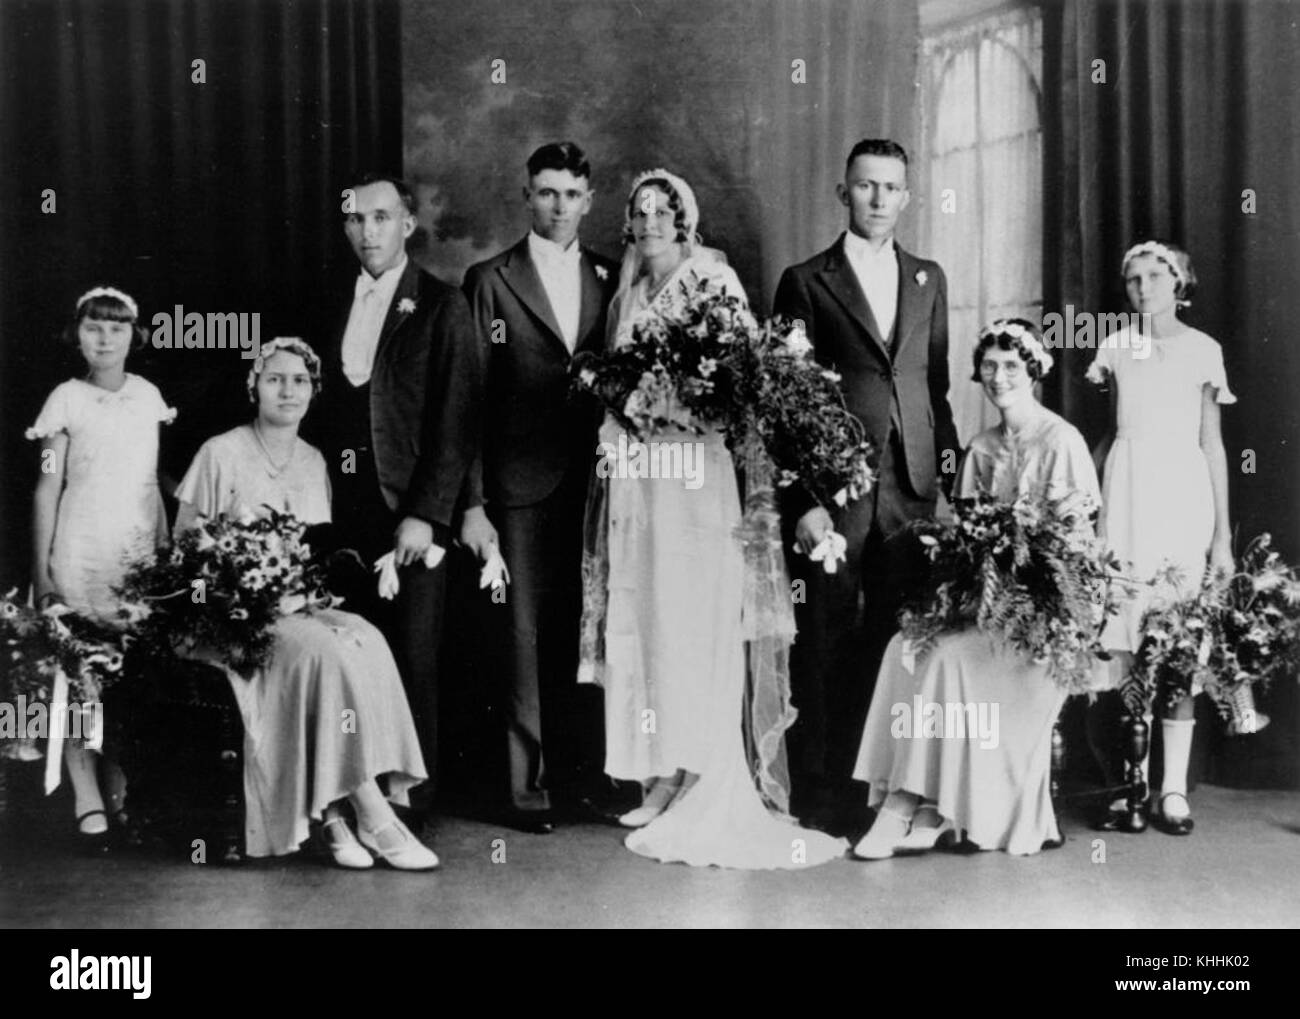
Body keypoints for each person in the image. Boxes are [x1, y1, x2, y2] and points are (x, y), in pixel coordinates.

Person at [577, 168, 844, 868]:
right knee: (652, 616)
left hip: (698, 475)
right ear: (629, 221)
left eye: (666, 210)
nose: (652, 221)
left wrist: (677, 403)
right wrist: (628, 412)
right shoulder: (628, 290)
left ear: (686, 218)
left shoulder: (714, 282)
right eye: (641, 211)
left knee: (699, 618)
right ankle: (659, 770)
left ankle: (701, 769)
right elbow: (617, 386)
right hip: (644, 479)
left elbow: (741, 390)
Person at [173, 336, 438, 870]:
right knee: (322, 653)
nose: (287, 390)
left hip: (294, 607)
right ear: (255, 387)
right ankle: (373, 815)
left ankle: (333, 814)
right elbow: (184, 552)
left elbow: (306, 553)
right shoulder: (219, 452)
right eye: (275, 379)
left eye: (299, 381)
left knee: (366, 638)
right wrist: (235, 595)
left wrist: (305, 588)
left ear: (314, 390)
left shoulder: (316, 460)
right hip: (228, 617)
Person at [851, 319, 1101, 858]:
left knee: (947, 660)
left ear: (1033, 370)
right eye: (989, 365)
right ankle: (916, 802)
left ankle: (919, 804)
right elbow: (967, 538)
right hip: (988, 605)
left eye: (1011, 365)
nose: (999, 376)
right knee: (905, 648)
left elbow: (1077, 555)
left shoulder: (1062, 441)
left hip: (1044, 622)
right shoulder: (981, 447)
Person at [773, 139, 959, 835]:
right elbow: (786, 401)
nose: (878, 198)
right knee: (826, 632)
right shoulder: (806, 279)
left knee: (897, 634)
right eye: (865, 186)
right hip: (835, 485)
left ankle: (885, 786)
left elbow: (935, 389)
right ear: (843, 192)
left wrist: (950, 482)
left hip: (908, 483)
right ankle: (822, 790)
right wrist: (804, 502)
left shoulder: (928, 278)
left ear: (907, 195)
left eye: (890, 187)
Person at [461, 142, 620, 832]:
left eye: (571, 194)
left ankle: (588, 776)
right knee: (522, 637)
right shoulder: (490, 278)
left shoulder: (616, 275)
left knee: (589, 630)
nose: (559, 205)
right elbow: (465, 400)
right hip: (518, 486)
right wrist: (471, 502)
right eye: (546, 192)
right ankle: (526, 789)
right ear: (526, 195)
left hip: (600, 483)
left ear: (590, 199)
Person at [313, 171, 482, 815]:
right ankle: (348, 796)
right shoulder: (326, 300)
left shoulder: (441, 304)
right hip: (338, 509)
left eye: (382, 218)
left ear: (407, 224)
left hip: (407, 513)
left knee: (412, 660)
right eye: (356, 219)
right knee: (345, 653)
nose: (368, 231)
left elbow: (456, 419)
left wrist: (426, 515)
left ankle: (410, 802)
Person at [1086, 241, 1237, 836]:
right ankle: (1131, 782)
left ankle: (1172, 789)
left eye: (1156, 276)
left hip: (1183, 496)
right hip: (1126, 496)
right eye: (1133, 279)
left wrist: (1222, 538)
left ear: (1181, 283)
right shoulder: (1116, 346)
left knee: (1177, 640)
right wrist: (1089, 514)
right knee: (1125, 632)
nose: (1144, 288)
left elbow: (1213, 444)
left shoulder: (1204, 351)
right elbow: (1106, 434)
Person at [26, 286, 173, 845]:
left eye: (116, 327)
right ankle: (84, 792)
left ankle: (119, 788)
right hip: (81, 547)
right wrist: (42, 572)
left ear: (134, 335)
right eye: (93, 327)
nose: (105, 338)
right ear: (77, 334)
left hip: (134, 552)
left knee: (128, 670)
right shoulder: (64, 399)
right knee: (79, 667)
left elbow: (149, 478)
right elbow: (47, 484)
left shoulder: (149, 396)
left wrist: (164, 552)